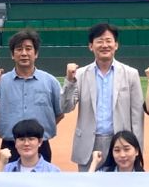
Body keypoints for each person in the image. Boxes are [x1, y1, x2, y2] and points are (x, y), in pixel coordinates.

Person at [61, 23, 144, 172]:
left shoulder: (131, 74)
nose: (104, 45)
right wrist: (69, 81)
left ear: (116, 45)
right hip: (88, 143)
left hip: (120, 143)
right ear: (91, 46)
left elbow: (137, 117)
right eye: (99, 41)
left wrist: (138, 149)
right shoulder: (79, 74)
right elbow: (66, 107)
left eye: (108, 41)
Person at [0, 29, 63, 162]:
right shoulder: (1, 82)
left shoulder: (50, 81)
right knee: (8, 182)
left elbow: (59, 113)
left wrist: (38, 132)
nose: (24, 53)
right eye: (19, 49)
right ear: (12, 54)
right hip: (9, 146)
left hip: (41, 146)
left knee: (40, 182)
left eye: (28, 48)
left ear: (36, 53)